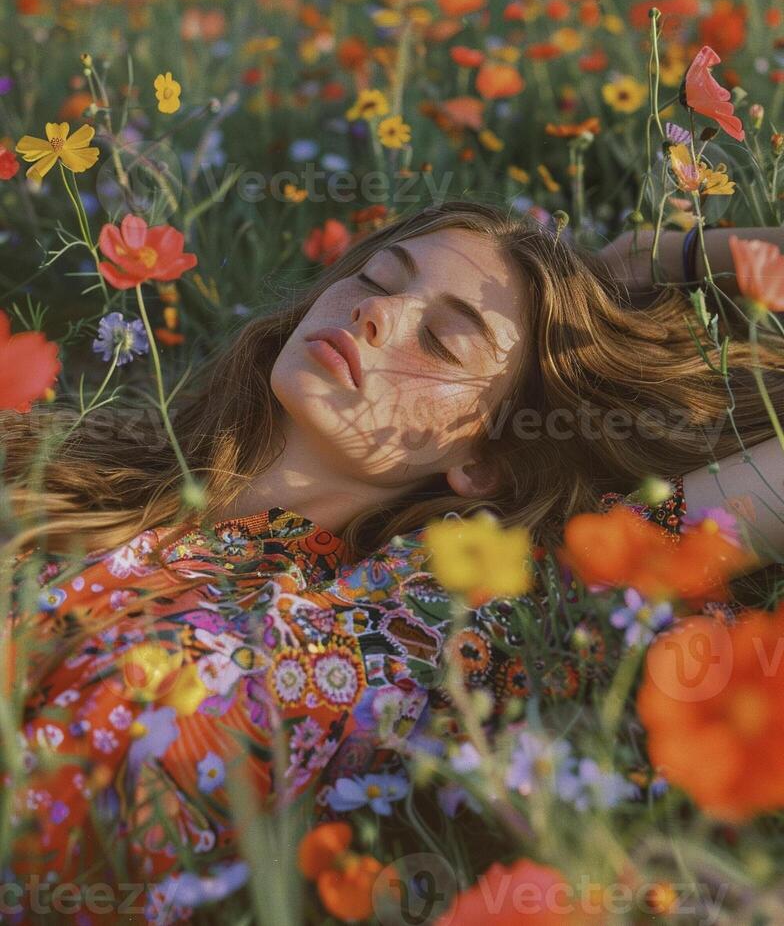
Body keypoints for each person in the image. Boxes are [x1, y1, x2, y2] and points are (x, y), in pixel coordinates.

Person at [3, 200, 783, 922]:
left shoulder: (426, 617)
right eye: (375, 280)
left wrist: (658, 258)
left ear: (485, 460)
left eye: (442, 340)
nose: (376, 313)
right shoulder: (69, 464)